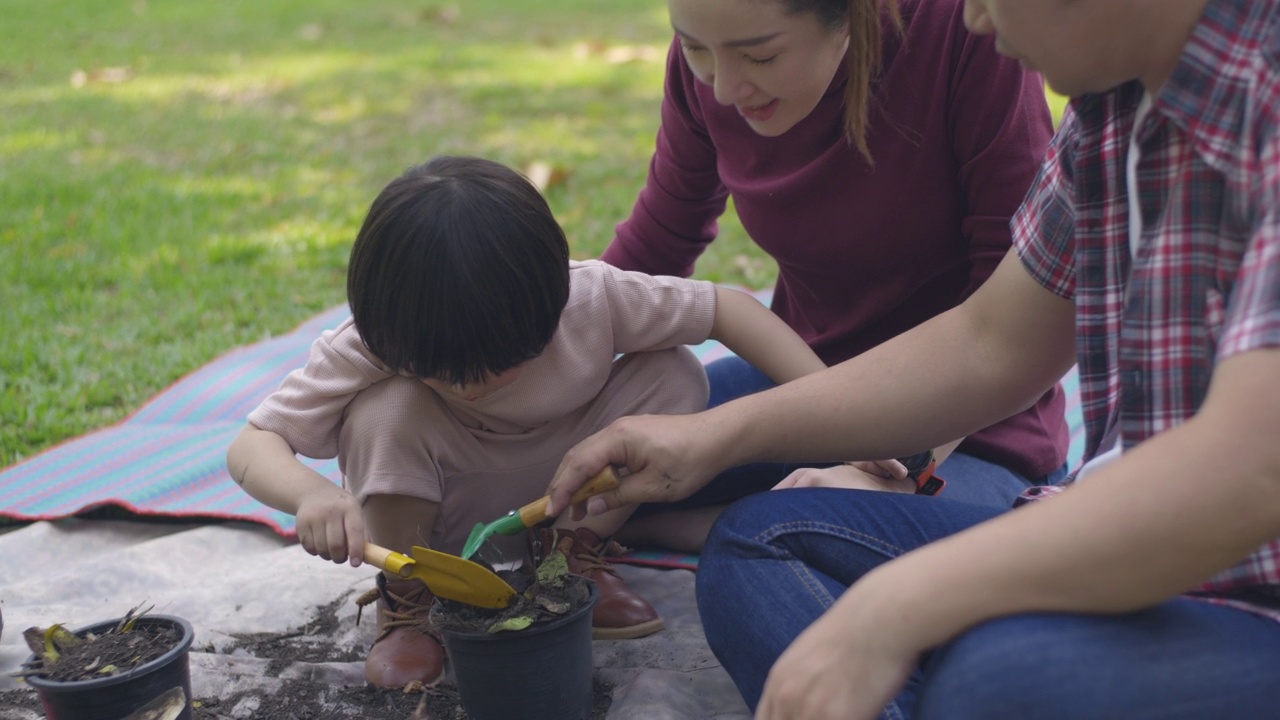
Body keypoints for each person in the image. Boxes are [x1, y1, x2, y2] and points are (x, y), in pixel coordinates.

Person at [546, 0, 1280, 716]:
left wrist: (894, 610)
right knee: (758, 542)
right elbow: (990, 342)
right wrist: (712, 436)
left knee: (999, 675)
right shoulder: (1112, 108)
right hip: (1134, 536)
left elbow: (1250, 470)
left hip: (1248, 589)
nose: (976, 17)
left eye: (759, 54)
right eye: (701, 51)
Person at [225, 155, 825, 689]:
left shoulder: (592, 298)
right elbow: (252, 444)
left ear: (553, 296)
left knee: (675, 372)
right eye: (444, 373)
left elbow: (730, 309)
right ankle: (411, 605)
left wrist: (828, 402)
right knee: (385, 407)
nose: (472, 386)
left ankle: (569, 561)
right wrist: (311, 495)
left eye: (503, 366)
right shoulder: (376, 340)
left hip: (566, 497)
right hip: (437, 532)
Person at [602, 0, 1070, 523]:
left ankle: (731, 525)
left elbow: (1008, 321)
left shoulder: (966, 33)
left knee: (778, 534)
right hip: (801, 381)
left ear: (852, 16)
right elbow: (660, 239)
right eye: (693, 48)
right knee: (596, 460)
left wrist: (901, 470)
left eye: (761, 58)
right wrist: (544, 343)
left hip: (969, 429)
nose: (723, 89)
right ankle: (708, 526)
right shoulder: (721, 43)